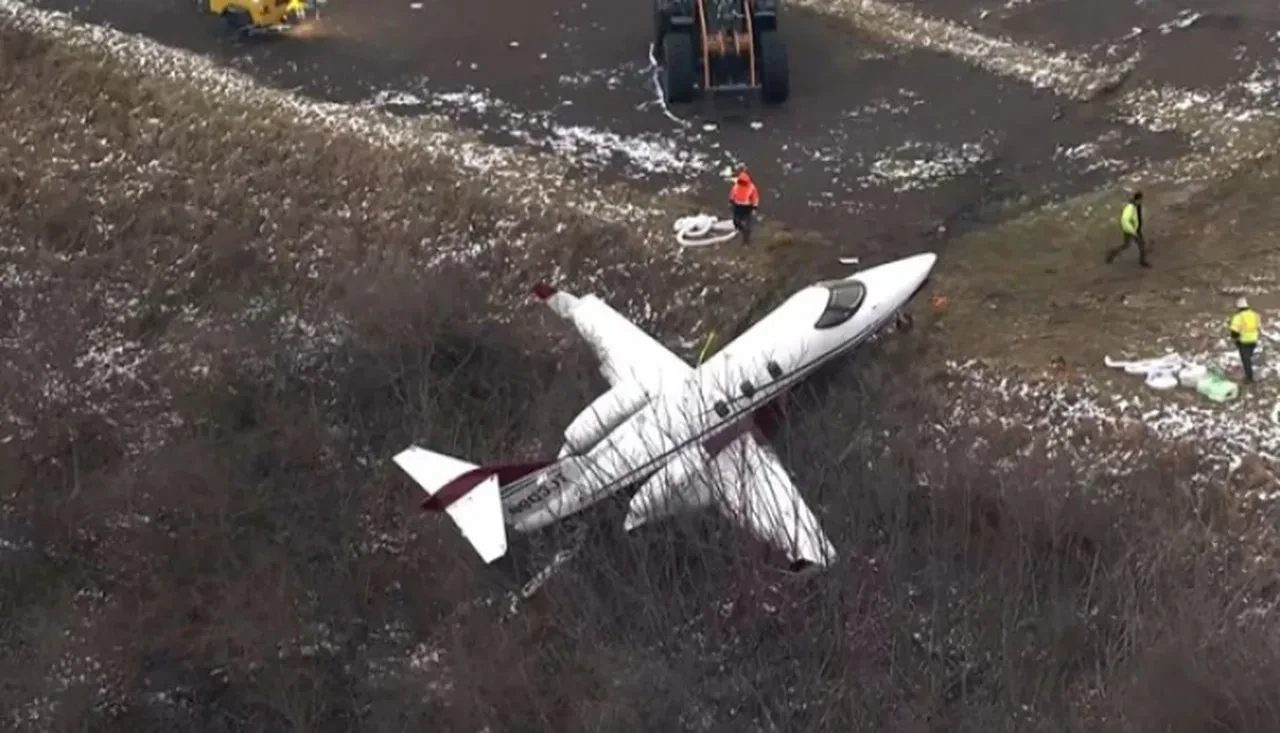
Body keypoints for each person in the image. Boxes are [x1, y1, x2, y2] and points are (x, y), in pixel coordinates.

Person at [1106, 190, 1150, 267]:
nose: (1141, 202)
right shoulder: (1130, 208)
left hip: (1132, 230)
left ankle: (1112, 253)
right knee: (1141, 245)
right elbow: (1125, 220)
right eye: (1140, 200)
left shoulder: (1135, 206)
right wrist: (1133, 231)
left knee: (1126, 245)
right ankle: (1142, 261)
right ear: (1137, 199)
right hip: (1132, 230)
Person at [1228, 296, 1261, 384]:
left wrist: (1236, 339)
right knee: (1249, 357)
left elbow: (1234, 332)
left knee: (1245, 360)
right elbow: (1258, 327)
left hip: (1243, 342)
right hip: (1253, 340)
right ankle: (1251, 369)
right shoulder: (1255, 314)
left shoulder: (1238, 317)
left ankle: (1249, 378)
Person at [728, 169, 760, 245]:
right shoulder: (736, 186)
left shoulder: (752, 187)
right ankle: (740, 230)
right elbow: (732, 194)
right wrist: (731, 202)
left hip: (747, 207)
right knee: (736, 221)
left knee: (748, 225)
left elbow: (755, 198)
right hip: (737, 206)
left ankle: (746, 240)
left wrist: (754, 207)